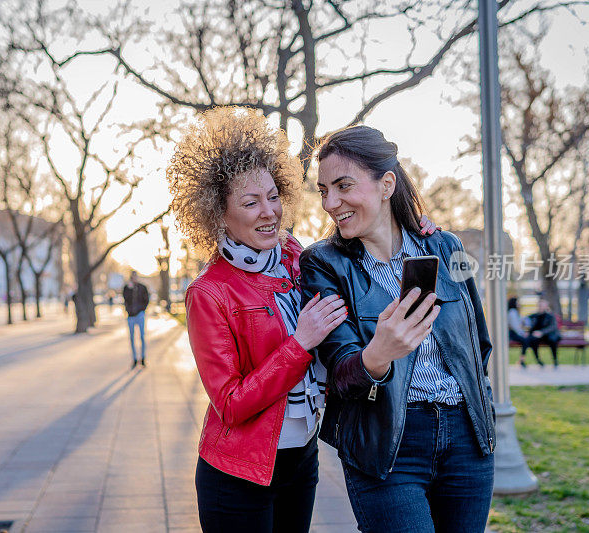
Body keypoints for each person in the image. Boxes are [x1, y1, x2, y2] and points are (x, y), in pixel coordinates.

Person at [168, 108, 439, 533]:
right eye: (250, 202)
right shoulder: (209, 293)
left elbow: (355, 250)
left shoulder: (296, 256)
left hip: (301, 459)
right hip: (239, 472)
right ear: (219, 214)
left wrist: (408, 225)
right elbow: (231, 404)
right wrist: (299, 344)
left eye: (273, 196)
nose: (268, 212)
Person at [299, 125, 495, 533]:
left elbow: (478, 345)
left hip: (467, 442)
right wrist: (378, 354)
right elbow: (339, 374)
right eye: (323, 190)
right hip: (386, 444)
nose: (331, 203)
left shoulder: (444, 247)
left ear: (386, 184)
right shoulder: (324, 264)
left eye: (343, 185)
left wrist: (482, 414)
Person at [123, 271, 150, 368]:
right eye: (132, 277)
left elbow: (146, 300)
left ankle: (142, 358)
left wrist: (142, 309)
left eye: (135, 277)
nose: (134, 279)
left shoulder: (142, 287)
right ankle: (134, 359)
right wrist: (130, 290)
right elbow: (125, 299)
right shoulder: (127, 288)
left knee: (142, 337)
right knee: (132, 338)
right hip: (130, 316)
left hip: (140, 315)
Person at [527, 298, 561, 368]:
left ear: (546, 306)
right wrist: (529, 332)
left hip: (548, 335)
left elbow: (553, 327)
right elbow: (527, 323)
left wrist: (541, 332)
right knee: (533, 340)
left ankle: (555, 360)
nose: (540, 307)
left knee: (552, 340)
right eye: (539, 305)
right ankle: (538, 360)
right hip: (538, 336)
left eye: (542, 305)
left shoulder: (550, 316)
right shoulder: (534, 316)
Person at [508, 297, 538, 368]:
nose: (519, 304)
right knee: (526, 340)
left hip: (516, 333)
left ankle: (523, 360)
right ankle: (522, 360)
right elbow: (515, 327)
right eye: (517, 302)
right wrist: (523, 333)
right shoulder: (512, 312)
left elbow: (524, 320)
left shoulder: (515, 312)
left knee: (530, 340)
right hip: (512, 334)